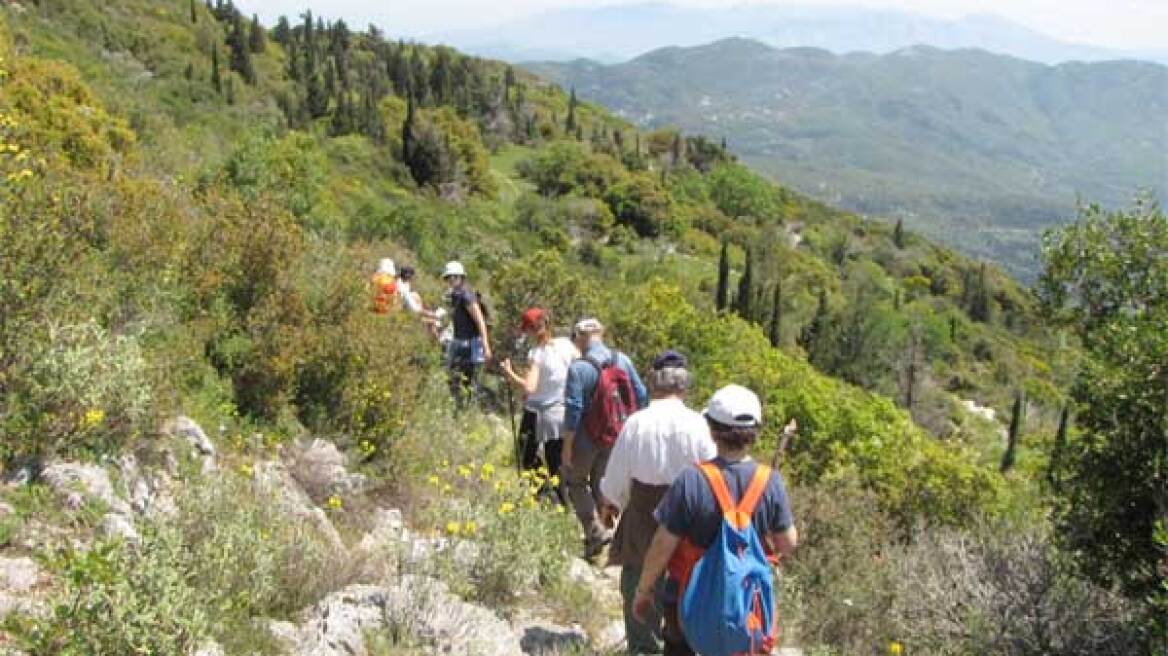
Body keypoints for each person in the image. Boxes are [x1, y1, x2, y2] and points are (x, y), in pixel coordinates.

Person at [633, 384, 798, 656]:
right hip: (745, 605)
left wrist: (644, 589)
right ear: (754, 433)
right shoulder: (770, 482)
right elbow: (789, 543)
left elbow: (663, 543)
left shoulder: (692, 480)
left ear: (711, 430)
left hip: (688, 601)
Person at [598, 350, 716, 656]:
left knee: (638, 581)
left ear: (653, 382)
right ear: (684, 385)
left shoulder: (637, 423)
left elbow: (616, 475)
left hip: (642, 515)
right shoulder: (699, 425)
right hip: (689, 518)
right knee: (683, 584)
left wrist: (611, 503)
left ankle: (643, 648)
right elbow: (713, 477)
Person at [563, 317, 649, 559]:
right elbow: (641, 395)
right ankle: (611, 544)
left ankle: (595, 531)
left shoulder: (578, 368)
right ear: (601, 333)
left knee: (576, 482)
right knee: (604, 486)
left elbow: (573, 408)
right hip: (616, 436)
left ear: (580, 336)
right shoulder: (623, 360)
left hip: (585, 438)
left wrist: (567, 445)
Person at [500, 308, 579, 499]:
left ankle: (541, 495)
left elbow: (529, 388)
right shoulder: (566, 345)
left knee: (526, 456)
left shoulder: (536, 354)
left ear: (531, 330)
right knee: (557, 462)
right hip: (562, 411)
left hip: (537, 413)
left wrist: (509, 374)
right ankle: (563, 502)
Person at [442, 261, 492, 409]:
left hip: (469, 344)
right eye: (449, 277)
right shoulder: (455, 296)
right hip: (458, 341)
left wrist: (486, 346)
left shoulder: (466, 296)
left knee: (466, 379)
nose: (451, 280)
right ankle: (459, 407)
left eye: (454, 277)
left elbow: (480, 321)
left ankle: (466, 409)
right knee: (453, 376)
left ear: (461, 278)